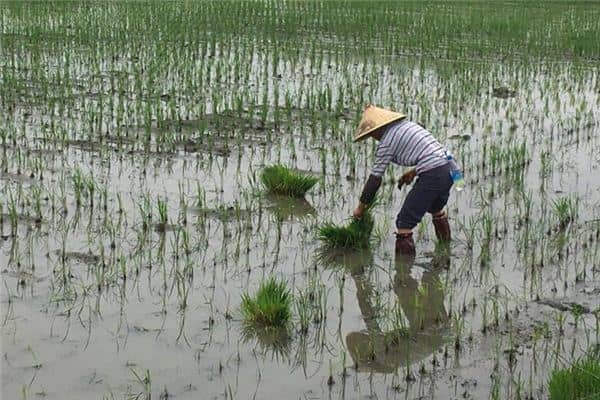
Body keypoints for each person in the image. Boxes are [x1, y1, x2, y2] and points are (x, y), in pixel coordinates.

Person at [352, 104, 456, 256]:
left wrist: (360, 208)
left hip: (433, 173)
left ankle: (403, 273)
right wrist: (414, 172)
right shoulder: (408, 126)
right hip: (449, 169)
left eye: (372, 134)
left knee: (404, 222)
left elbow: (375, 179)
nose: (373, 138)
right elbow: (433, 152)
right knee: (435, 208)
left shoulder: (386, 142)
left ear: (377, 129)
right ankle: (446, 251)